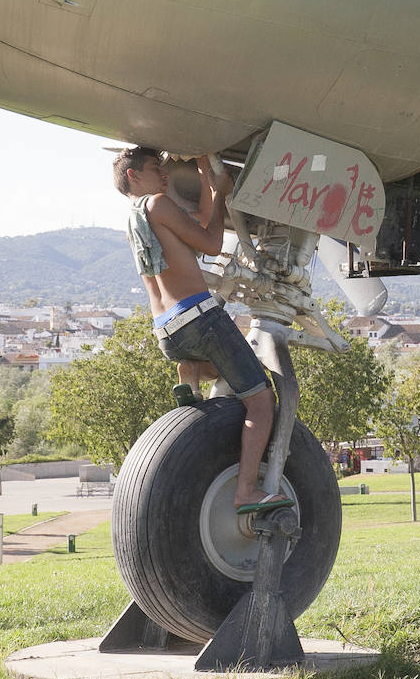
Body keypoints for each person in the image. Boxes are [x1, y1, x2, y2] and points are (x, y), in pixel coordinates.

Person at [112, 147, 291, 514]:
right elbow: (211, 242)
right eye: (153, 168)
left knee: (222, 370)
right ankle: (246, 491)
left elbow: (202, 223)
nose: (164, 175)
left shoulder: (133, 220)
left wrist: (212, 184)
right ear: (132, 176)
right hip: (198, 316)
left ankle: (191, 371)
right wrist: (224, 190)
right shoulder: (158, 203)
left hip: (167, 330)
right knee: (261, 401)